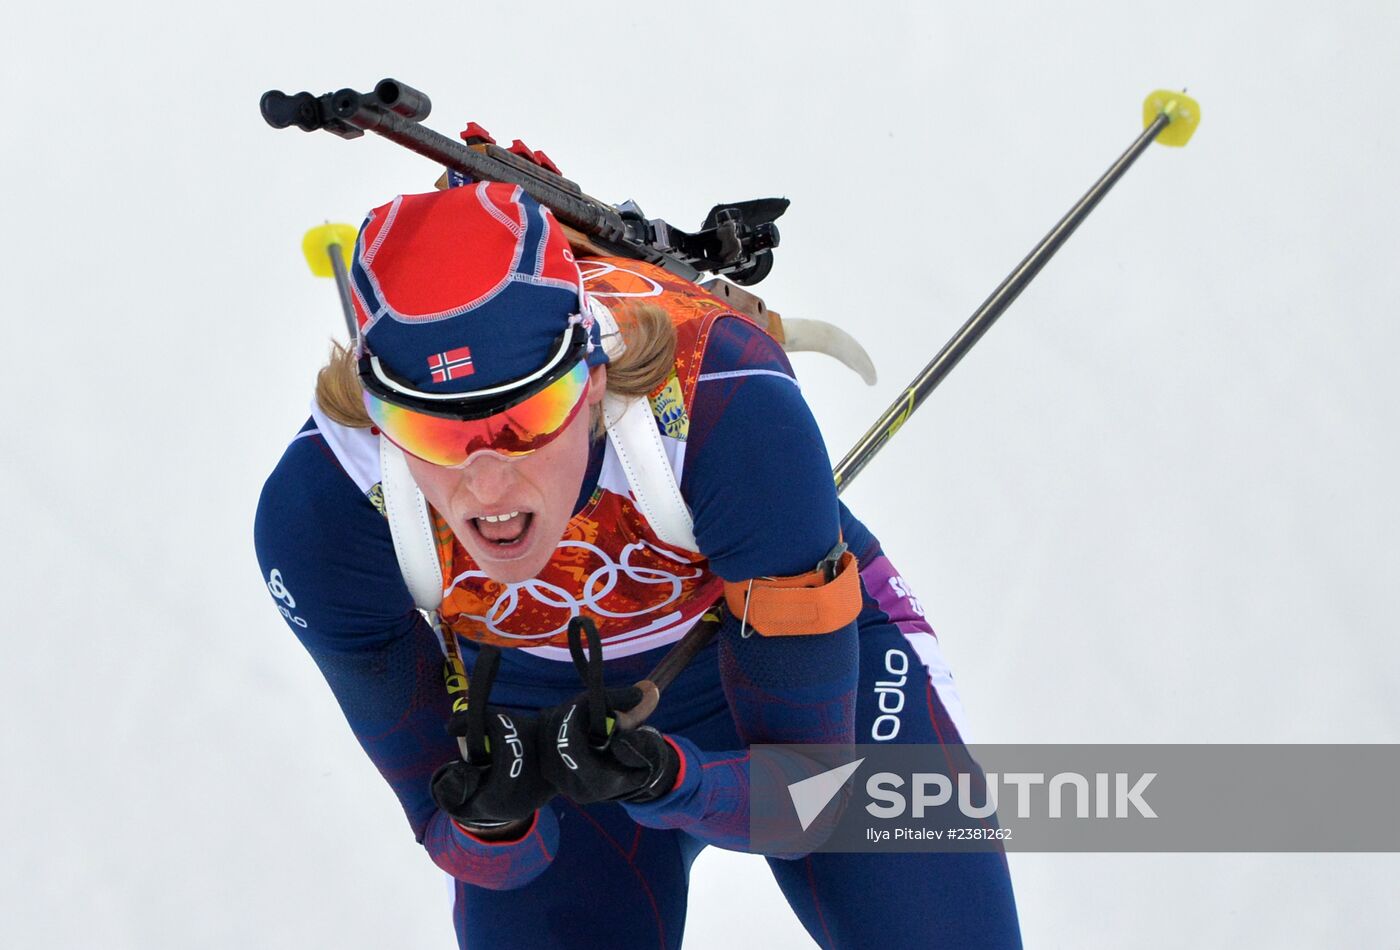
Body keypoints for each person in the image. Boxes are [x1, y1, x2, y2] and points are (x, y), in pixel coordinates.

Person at [254, 181, 1021, 948]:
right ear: (379, 414)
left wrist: (670, 778)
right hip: (536, 722)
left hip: (777, 667)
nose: (486, 487)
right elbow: (458, 841)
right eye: (433, 431)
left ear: (591, 377)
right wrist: (496, 818)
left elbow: (812, 796)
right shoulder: (326, 513)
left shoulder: (724, 403)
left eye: (524, 420)